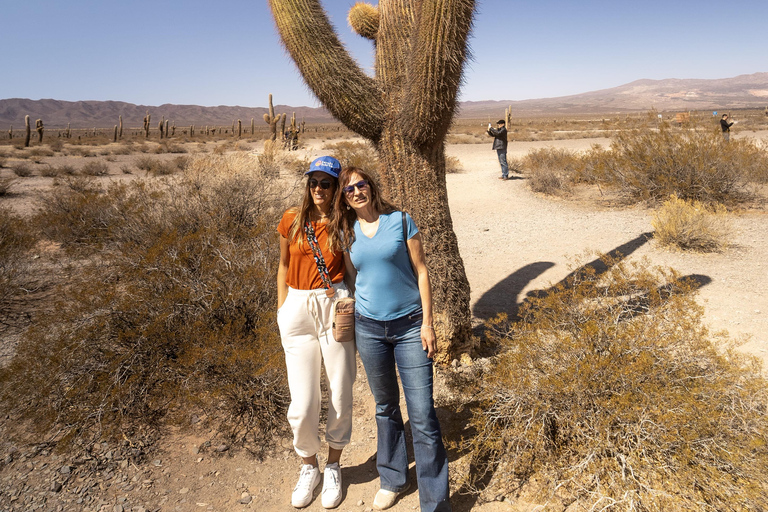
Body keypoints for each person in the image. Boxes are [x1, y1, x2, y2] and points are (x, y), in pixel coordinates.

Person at [332, 168, 451, 512]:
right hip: (369, 329)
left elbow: (422, 270)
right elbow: (354, 280)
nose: (356, 191)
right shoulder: (347, 232)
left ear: (370, 185)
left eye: (360, 184)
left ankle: (435, 501)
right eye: (349, 189)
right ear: (344, 198)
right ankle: (393, 478)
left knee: (423, 414)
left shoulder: (400, 221)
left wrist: (427, 324)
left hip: (410, 326)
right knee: (385, 407)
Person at [276, 155, 356, 509]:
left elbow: (355, 268)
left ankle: (334, 464)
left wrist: (347, 298)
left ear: (336, 187)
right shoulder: (292, 219)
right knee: (304, 401)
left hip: (333, 306)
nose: (319, 189)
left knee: (340, 390)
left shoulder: (345, 221)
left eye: (326, 183)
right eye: (314, 182)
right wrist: (283, 307)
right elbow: (282, 264)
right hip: (296, 309)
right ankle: (309, 466)